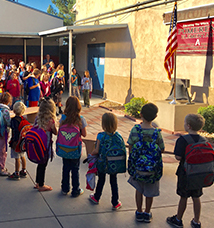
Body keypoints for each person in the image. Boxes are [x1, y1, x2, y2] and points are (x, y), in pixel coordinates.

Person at [166, 114, 206, 228]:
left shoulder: (183, 140)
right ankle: (196, 221)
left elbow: (178, 157)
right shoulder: (203, 140)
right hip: (198, 173)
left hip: (185, 172)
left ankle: (178, 219)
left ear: (188, 126)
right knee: (196, 197)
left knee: (184, 196)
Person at [127, 103, 165, 223]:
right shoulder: (156, 133)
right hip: (152, 169)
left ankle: (139, 211)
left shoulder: (135, 130)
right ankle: (147, 213)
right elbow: (162, 149)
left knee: (139, 189)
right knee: (150, 192)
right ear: (155, 116)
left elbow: (130, 146)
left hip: (138, 167)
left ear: (141, 114)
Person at [89, 112, 125, 210]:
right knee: (114, 182)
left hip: (102, 163)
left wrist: (91, 155)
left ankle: (96, 197)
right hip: (114, 164)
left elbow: (96, 150)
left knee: (101, 180)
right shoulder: (118, 136)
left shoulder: (101, 136)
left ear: (103, 124)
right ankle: (115, 202)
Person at [59, 96, 87, 196]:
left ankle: (65, 188)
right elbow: (84, 134)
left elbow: (60, 130)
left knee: (65, 168)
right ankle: (76, 190)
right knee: (75, 169)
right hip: (75, 149)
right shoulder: (80, 119)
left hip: (64, 148)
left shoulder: (63, 118)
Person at [34, 97, 57, 191]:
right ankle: (41, 185)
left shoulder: (37, 118)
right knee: (43, 165)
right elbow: (55, 132)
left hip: (37, 145)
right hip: (45, 146)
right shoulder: (51, 120)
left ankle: (38, 182)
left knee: (39, 164)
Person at [8, 102, 27, 180]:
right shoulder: (24, 119)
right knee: (22, 156)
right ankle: (24, 170)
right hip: (23, 142)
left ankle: (16, 173)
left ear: (14, 111)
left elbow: (14, 131)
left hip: (16, 142)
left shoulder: (14, 121)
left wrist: (14, 142)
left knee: (17, 158)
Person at [0, 92, 12, 176]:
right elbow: (8, 123)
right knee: (2, 150)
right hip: (2, 133)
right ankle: (1, 168)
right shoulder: (6, 110)